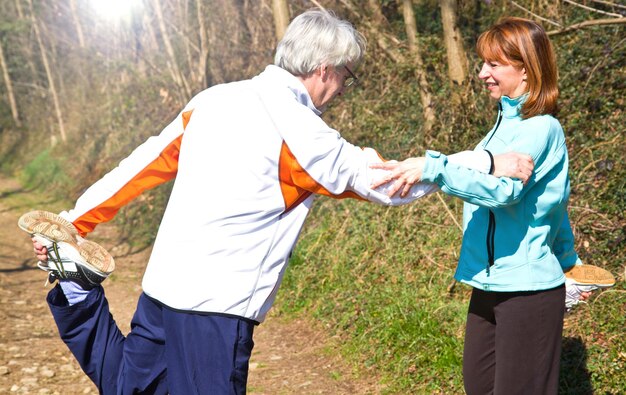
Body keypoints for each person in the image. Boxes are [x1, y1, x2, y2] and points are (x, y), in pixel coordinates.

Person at [26, 10, 532, 395]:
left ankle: (77, 290)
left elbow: (141, 165)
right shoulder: (306, 136)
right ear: (325, 69)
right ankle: (76, 291)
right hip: (216, 312)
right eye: (347, 77)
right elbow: (390, 184)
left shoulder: (213, 99)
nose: (342, 90)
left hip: (163, 289)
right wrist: (485, 161)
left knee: (128, 386)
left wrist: (74, 222)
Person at [372, 17, 590, 394]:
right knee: (479, 386)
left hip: (528, 290)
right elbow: (552, 204)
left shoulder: (541, 128)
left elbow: (504, 191)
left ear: (525, 68)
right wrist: (569, 257)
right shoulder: (502, 126)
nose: (481, 73)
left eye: (493, 64)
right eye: (482, 63)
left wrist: (435, 169)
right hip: (489, 283)